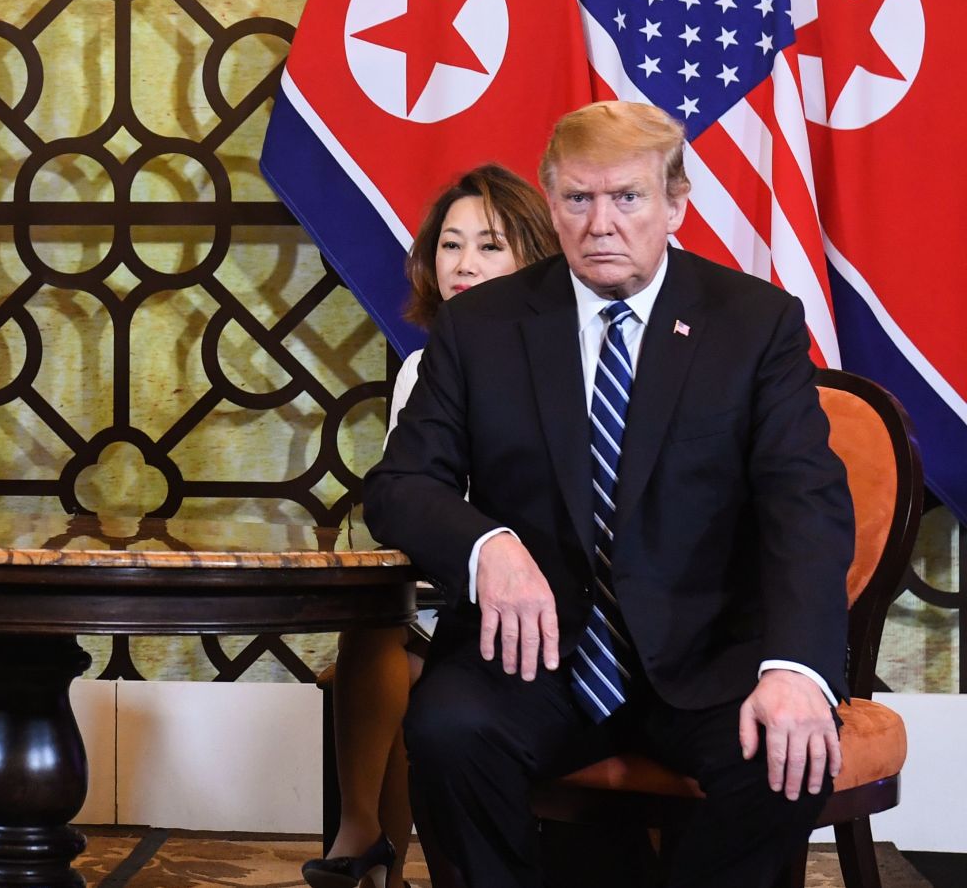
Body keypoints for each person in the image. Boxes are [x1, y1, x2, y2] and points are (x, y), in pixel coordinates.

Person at [365, 100, 853, 888]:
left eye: (627, 198)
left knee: (783, 757)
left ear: (674, 205)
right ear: (552, 204)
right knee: (450, 733)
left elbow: (807, 507)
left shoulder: (752, 324)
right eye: (579, 199)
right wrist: (487, 546)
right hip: (533, 655)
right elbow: (401, 484)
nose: (602, 223)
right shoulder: (481, 328)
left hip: (706, 658)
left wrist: (797, 667)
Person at [304, 164, 557, 888]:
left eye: (490, 245)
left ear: (531, 254)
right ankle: (364, 831)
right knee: (376, 617)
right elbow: (407, 503)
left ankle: (378, 846)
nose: (466, 263)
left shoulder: (562, 356)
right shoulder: (424, 366)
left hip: (533, 592)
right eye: (451, 245)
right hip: (447, 579)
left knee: (407, 649)